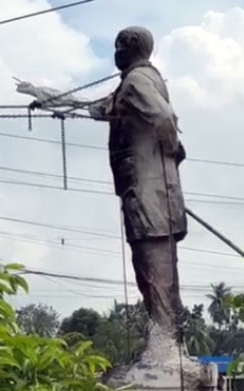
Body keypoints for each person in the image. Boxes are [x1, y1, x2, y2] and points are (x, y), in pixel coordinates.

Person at [87, 26, 187, 338]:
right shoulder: (136, 83)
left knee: (154, 275)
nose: (114, 53)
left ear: (129, 48)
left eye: (118, 47)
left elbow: (163, 118)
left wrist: (171, 150)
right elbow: (98, 109)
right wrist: (47, 97)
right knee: (155, 276)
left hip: (148, 197)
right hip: (150, 195)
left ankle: (165, 347)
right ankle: (165, 343)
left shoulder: (136, 81)